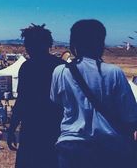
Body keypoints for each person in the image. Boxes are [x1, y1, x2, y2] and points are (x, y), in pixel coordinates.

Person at [51, 19, 137, 168]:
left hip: (71, 147)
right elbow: (129, 114)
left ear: (74, 43)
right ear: (101, 43)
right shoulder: (114, 72)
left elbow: (56, 102)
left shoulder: (60, 72)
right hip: (108, 148)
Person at [7, 24, 64, 168]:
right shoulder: (62, 66)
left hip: (31, 128)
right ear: (49, 44)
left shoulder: (27, 67)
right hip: (56, 128)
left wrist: (12, 127)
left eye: (27, 45)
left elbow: (21, 101)